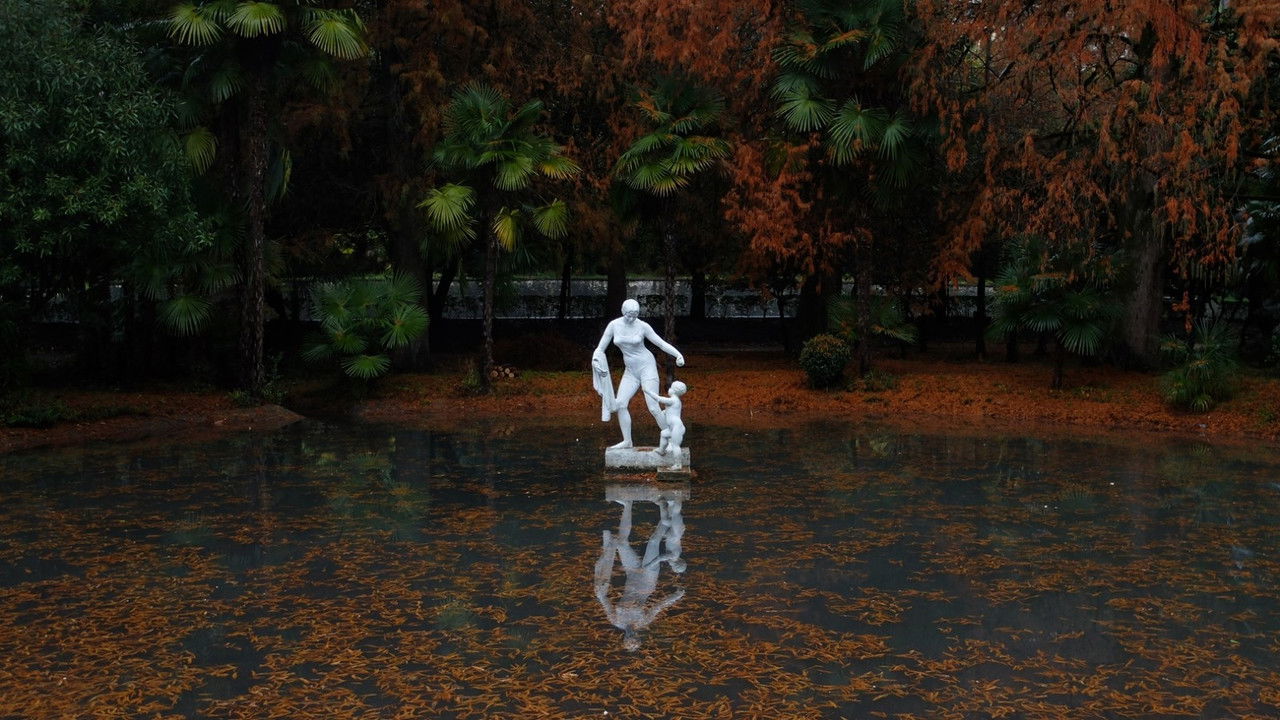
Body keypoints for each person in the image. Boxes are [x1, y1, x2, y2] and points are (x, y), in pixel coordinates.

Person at [594, 498, 685, 651]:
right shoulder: (644, 621)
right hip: (647, 581)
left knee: (621, 542)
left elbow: (604, 600)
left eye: (629, 637)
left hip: (632, 575)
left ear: (624, 637)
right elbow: (659, 606)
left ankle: (627, 505)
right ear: (638, 635)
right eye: (634, 637)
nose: (631, 635)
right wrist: (676, 596)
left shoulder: (615, 620)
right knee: (654, 541)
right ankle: (667, 510)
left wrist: (600, 593)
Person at [592, 299, 684, 449]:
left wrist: (677, 354)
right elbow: (600, 349)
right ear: (623, 312)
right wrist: (596, 362)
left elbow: (660, 343)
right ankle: (627, 441)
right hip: (630, 370)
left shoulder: (643, 326)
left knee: (653, 407)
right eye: (629, 314)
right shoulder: (614, 325)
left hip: (647, 366)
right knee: (620, 404)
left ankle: (670, 437)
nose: (632, 318)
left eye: (635, 315)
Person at [643, 381, 687, 469]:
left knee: (675, 445)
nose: (669, 389)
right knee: (663, 434)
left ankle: (678, 464)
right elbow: (671, 412)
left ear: (674, 390)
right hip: (673, 427)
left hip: (676, 427)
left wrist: (648, 391)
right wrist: (665, 412)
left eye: (671, 388)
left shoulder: (673, 400)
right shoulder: (675, 401)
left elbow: (659, 399)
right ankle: (661, 450)